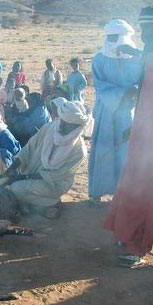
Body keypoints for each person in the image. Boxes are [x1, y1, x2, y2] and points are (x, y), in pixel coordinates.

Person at [104, 7, 153, 268]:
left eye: (149, 28)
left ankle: (139, 245)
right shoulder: (149, 50)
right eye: (143, 28)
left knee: (145, 187)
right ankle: (130, 234)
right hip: (145, 127)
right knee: (135, 181)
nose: (145, 33)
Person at [4, 98, 89, 219]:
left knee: (15, 189)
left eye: (66, 123)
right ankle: (33, 201)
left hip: (54, 184)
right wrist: (14, 165)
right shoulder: (49, 128)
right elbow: (29, 148)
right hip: (32, 173)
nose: (62, 125)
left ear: (76, 127)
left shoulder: (79, 151)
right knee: (12, 184)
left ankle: (52, 203)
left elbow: (57, 175)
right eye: (62, 120)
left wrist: (24, 177)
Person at [88, 19, 143, 204]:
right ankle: (97, 192)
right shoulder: (100, 58)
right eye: (109, 36)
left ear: (124, 37)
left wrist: (135, 91)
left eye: (114, 37)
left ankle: (123, 195)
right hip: (106, 110)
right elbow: (100, 86)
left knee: (124, 152)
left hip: (127, 112)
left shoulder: (138, 60)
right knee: (103, 150)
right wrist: (123, 92)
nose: (111, 41)